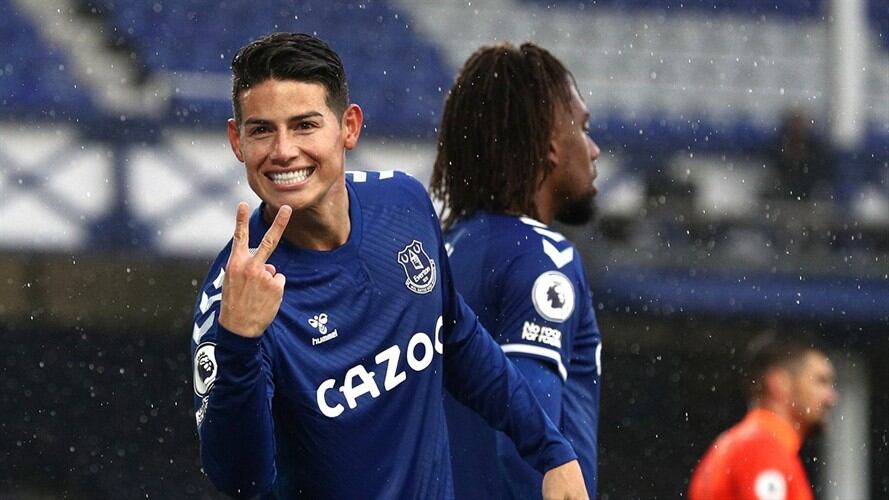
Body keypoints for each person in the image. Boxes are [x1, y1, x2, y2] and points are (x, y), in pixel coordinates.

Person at [189, 32, 589, 499]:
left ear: (349, 127)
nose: (282, 151)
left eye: (304, 125)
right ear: (237, 141)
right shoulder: (232, 298)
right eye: (261, 130)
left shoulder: (403, 205)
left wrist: (551, 451)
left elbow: (457, 337)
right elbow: (241, 478)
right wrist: (239, 342)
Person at [429, 42, 603, 499]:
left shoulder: (440, 254)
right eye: (583, 129)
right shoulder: (543, 257)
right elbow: (528, 445)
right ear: (550, 146)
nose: (595, 149)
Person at [688, 335, 837, 500]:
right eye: (820, 381)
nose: (830, 398)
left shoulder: (734, 444)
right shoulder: (761, 448)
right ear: (779, 383)